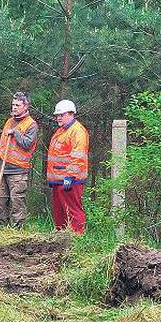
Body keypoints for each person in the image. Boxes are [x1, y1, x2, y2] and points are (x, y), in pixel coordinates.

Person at [0, 91, 39, 229]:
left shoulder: (31, 124)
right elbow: (2, 144)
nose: (14, 107)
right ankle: (1, 226)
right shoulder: (9, 121)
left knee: (17, 200)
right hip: (2, 167)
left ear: (26, 106)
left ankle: (17, 228)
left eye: (18, 105)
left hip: (18, 170)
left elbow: (27, 144)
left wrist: (16, 132)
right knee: (0, 199)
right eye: (13, 105)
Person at [47, 99, 90, 233]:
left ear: (71, 114)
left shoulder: (77, 131)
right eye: (57, 115)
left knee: (73, 210)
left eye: (62, 114)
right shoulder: (61, 131)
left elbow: (78, 156)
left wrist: (70, 176)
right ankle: (60, 235)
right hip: (58, 180)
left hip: (71, 180)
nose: (58, 117)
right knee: (59, 211)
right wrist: (52, 178)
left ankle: (76, 237)